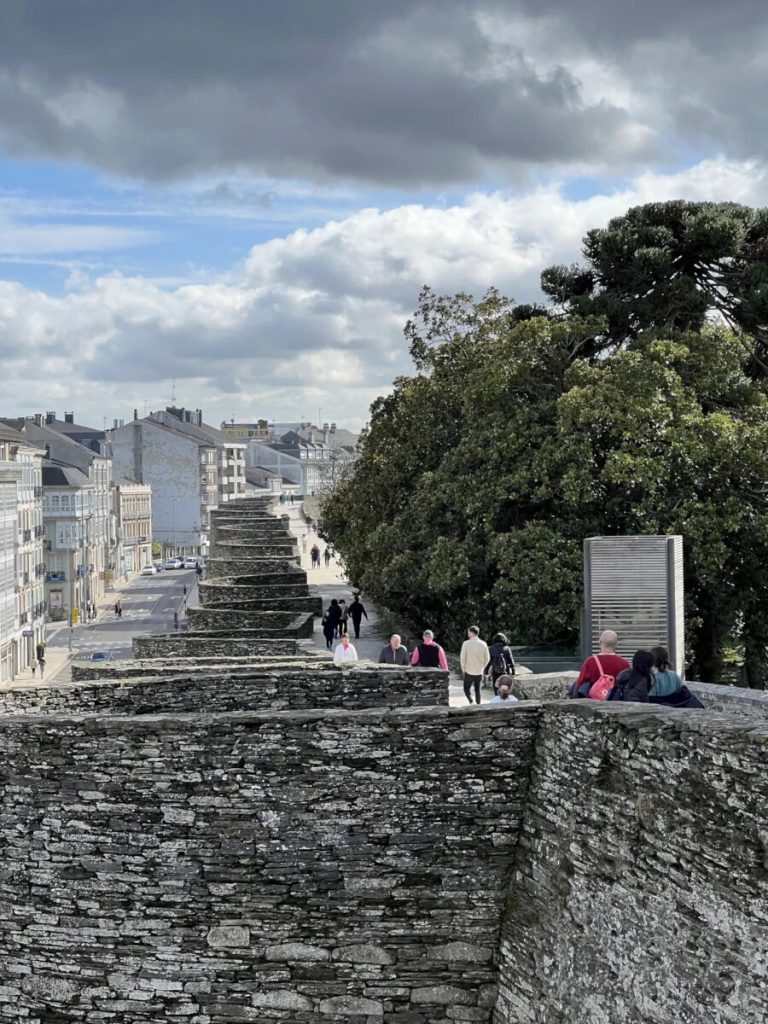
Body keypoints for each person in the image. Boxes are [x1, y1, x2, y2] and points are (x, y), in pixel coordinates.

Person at [569, 629, 630, 699]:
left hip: (593, 702)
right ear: (616, 645)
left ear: (599, 642)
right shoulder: (624, 664)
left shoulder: (590, 662)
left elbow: (579, 685)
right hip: (617, 703)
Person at [460, 625, 490, 705]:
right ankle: (478, 705)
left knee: (466, 689)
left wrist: (463, 669)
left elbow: (463, 658)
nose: (468, 633)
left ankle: (471, 702)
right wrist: (482, 667)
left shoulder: (466, 643)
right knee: (477, 690)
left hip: (469, 671)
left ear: (471, 632)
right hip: (479, 671)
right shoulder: (483, 644)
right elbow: (487, 658)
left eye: (468, 632)